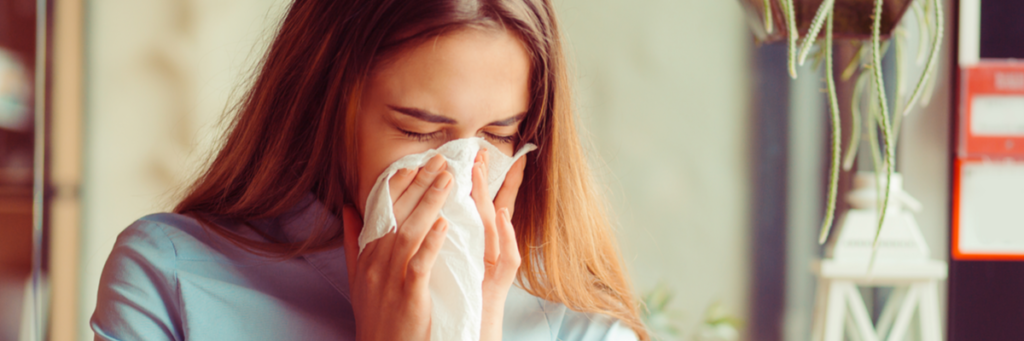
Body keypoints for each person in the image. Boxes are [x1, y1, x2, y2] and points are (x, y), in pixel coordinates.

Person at [91, 0, 648, 340]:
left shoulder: (585, 331)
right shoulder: (171, 275)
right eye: (417, 130)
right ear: (322, 108)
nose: (460, 174)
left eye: (499, 136)